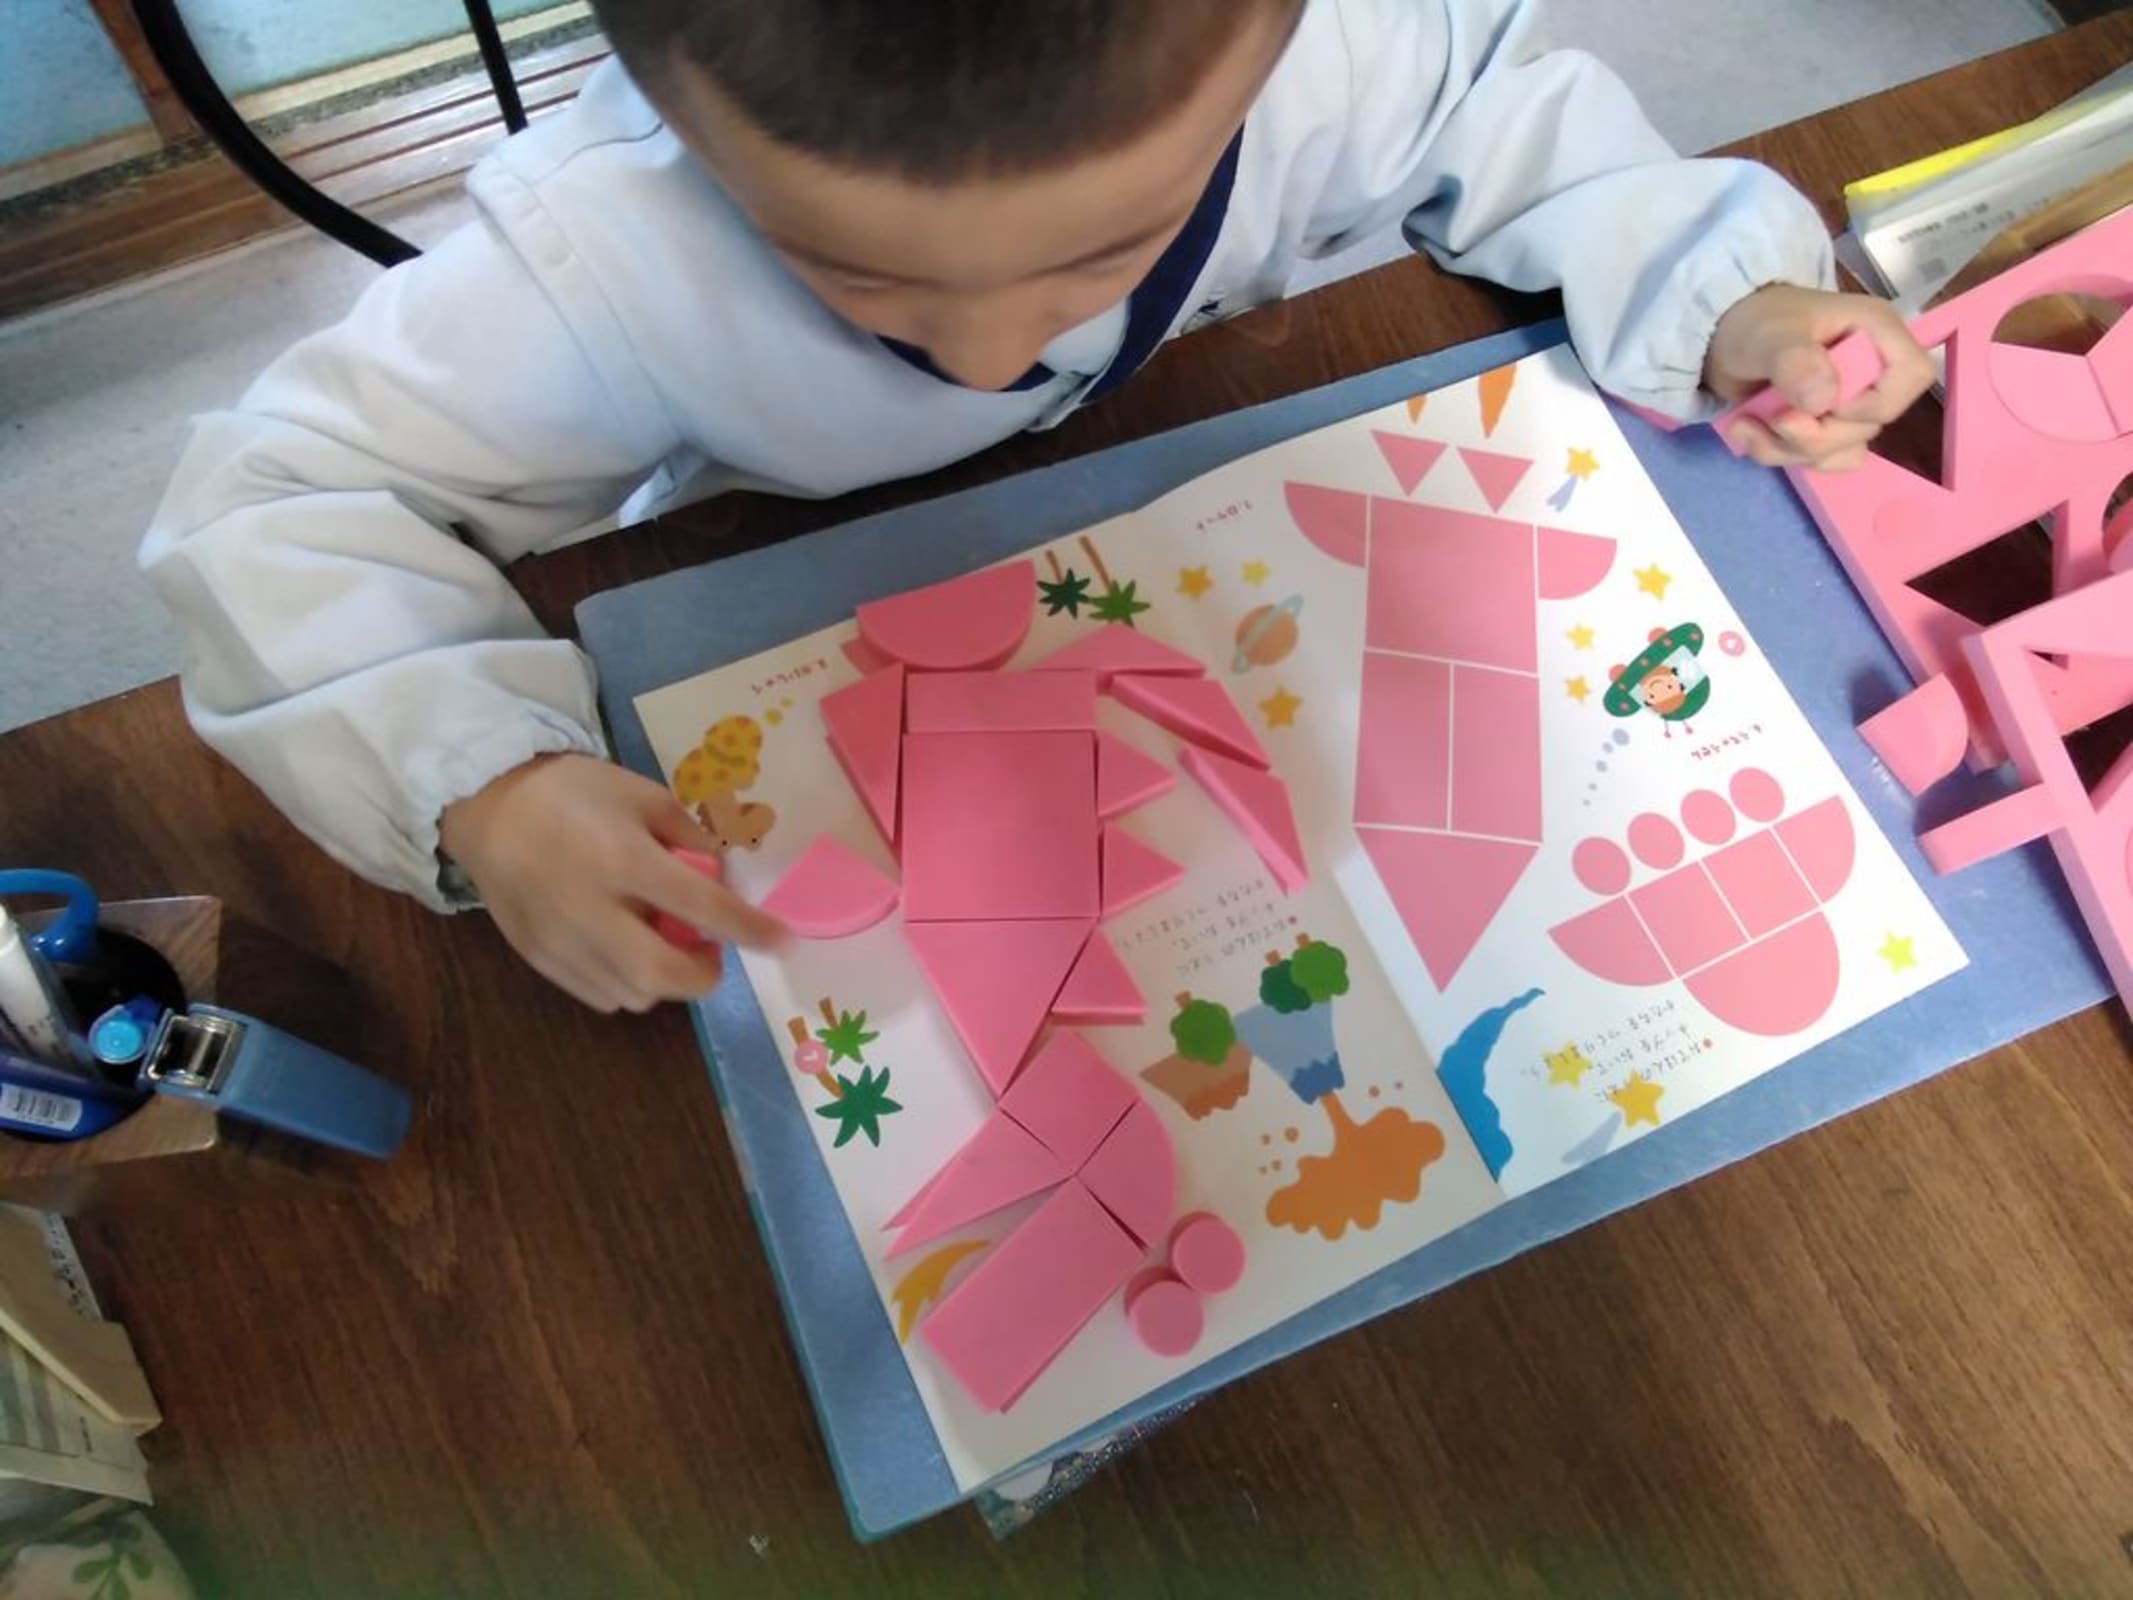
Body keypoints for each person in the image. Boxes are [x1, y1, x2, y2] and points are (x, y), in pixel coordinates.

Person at [141, 0, 1935, 1013]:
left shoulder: (1335, 43)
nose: (996, 346)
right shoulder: (594, 264)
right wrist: (487, 788)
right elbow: (271, 502)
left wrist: (1726, 300)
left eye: (1102, 247)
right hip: (794, 583)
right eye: (857, 274)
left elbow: (1512, 109)